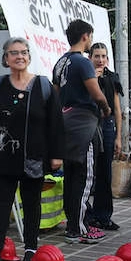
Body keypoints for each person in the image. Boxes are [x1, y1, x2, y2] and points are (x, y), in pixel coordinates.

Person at [0, 38, 64, 261]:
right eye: (13, 53)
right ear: (6, 58)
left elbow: (55, 123)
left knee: (32, 202)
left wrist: (56, 154)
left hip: (33, 157)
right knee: (0, 204)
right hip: (2, 156)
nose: (19, 57)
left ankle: (31, 248)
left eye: (23, 52)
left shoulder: (43, 86)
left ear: (29, 56)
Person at [52, 19, 112, 244]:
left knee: (71, 177)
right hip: (84, 123)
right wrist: (106, 109)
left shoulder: (60, 62)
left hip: (65, 123)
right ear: (85, 36)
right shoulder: (82, 62)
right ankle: (79, 228)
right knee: (85, 177)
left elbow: (55, 95)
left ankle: (72, 224)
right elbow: (96, 93)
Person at [88, 42, 124, 231]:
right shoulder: (85, 76)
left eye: (103, 56)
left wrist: (119, 136)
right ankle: (87, 216)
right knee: (88, 173)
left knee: (105, 173)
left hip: (108, 127)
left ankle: (104, 216)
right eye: (97, 56)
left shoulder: (112, 78)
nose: (100, 60)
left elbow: (117, 108)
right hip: (88, 125)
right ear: (90, 58)